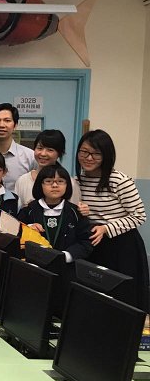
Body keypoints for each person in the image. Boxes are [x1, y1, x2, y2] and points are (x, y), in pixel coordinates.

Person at [76, 129, 149, 311]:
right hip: (92, 243)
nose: (89, 158)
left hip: (121, 246)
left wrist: (106, 228)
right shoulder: (78, 181)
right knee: (94, 298)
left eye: (96, 154)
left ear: (106, 156)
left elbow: (139, 215)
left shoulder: (119, 180)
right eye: (84, 152)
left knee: (122, 299)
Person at [17, 165, 92, 263]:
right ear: (40, 184)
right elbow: (15, 235)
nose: (55, 185)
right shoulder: (28, 211)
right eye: (49, 181)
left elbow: (86, 242)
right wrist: (28, 228)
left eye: (60, 181)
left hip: (66, 265)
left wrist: (66, 256)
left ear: (67, 185)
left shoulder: (76, 212)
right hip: (34, 264)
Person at [13, 129, 83, 207]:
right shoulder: (23, 181)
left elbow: (74, 211)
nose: (43, 154)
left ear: (59, 153)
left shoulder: (69, 183)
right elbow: (16, 211)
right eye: (40, 148)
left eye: (50, 150)